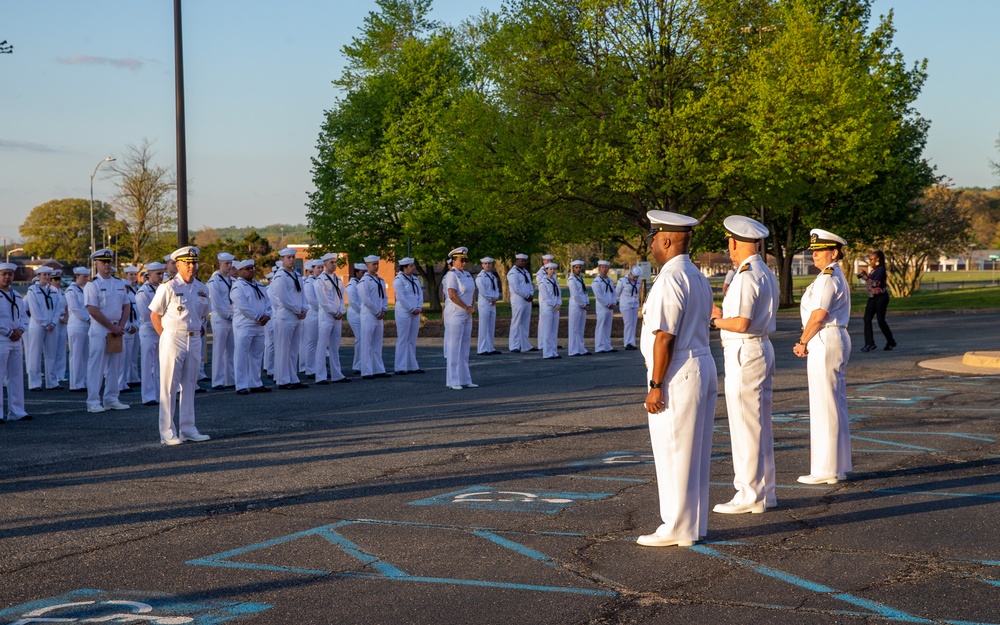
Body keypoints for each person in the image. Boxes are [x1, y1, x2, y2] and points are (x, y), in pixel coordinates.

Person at [638, 210, 716, 548]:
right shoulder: (696, 275)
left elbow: (664, 336)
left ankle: (675, 526)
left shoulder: (670, 278)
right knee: (693, 451)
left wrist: (656, 385)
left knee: (673, 449)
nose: (652, 243)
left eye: (653, 237)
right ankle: (691, 525)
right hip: (700, 363)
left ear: (667, 240)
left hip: (678, 371)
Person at [709, 215, 779, 515]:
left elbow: (740, 322)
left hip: (745, 352)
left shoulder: (747, 275)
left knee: (745, 427)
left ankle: (748, 493)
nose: (729, 245)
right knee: (759, 426)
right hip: (758, 349)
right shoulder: (763, 271)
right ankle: (764, 493)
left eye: (729, 240)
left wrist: (714, 318)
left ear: (735, 242)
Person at [792, 228, 852, 485]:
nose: (814, 255)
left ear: (834, 252)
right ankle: (835, 466)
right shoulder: (832, 275)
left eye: (819, 251)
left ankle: (826, 469)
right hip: (832, 338)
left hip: (825, 338)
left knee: (824, 404)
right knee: (832, 403)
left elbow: (818, 315)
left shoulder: (828, 278)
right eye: (813, 251)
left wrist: (802, 341)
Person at [148, 246, 212, 445]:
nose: (191, 266)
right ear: (178, 265)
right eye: (187, 263)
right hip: (173, 337)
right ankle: (167, 432)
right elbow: (155, 315)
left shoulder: (202, 288)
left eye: (193, 263)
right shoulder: (168, 287)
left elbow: (203, 314)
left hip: (193, 338)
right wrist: (165, 337)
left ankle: (188, 428)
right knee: (169, 387)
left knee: (190, 385)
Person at [83, 249, 131, 413]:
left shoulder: (118, 283)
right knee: (96, 366)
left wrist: (121, 325)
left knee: (115, 365)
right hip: (100, 329)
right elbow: (92, 310)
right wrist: (113, 328)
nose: (107, 265)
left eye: (109, 262)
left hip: (117, 328)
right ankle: (93, 401)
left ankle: (111, 398)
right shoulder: (92, 284)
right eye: (103, 262)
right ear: (95, 264)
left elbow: (126, 305)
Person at [269, 248, 309, 390]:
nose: (291, 259)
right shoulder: (280, 277)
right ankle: (283, 380)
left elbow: (302, 295)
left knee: (293, 349)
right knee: (283, 349)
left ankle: (293, 377)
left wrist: (305, 308)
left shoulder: (296, 276)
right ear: (282, 260)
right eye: (288, 257)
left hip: (297, 316)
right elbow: (284, 298)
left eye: (293, 257)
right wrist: (298, 310)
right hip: (286, 316)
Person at [231, 259, 272, 394]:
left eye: (252, 268)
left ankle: (255, 382)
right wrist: (257, 317)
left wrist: (267, 314)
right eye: (247, 268)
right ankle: (241, 385)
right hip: (245, 325)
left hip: (260, 325)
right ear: (240, 271)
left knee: (256, 355)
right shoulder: (238, 286)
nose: (251, 270)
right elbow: (243, 306)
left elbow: (268, 302)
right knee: (241, 355)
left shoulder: (259, 285)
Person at [443, 247, 478, 390]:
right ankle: (453, 380)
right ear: (454, 260)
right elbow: (452, 295)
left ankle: (465, 379)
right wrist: (466, 307)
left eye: (465, 260)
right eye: (461, 260)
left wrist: (473, 305)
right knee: (454, 347)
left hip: (467, 313)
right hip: (455, 314)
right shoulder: (452, 275)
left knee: (464, 348)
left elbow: (473, 291)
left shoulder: (467, 275)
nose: (464, 263)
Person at [0, 262, 30, 422]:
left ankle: (17, 411)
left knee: (16, 376)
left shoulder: (17, 295)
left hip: (16, 340)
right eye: (4, 274)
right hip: (2, 339)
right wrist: (9, 331)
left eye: (10, 274)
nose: (7, 277)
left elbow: (23, 316)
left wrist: (21, 330)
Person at [312, 253, 349, 384]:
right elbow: (322, 300)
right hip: (326, 316)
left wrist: (341, 311)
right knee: (322, 346)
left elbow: (342, 298)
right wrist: (334, 312)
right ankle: (320, 376)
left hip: (337, 316)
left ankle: (337, 374)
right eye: (332, 262)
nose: (334, 264)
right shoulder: (320, 280)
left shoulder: (338, 279)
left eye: (335, 262)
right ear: (325, 264)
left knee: (335, 346)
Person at [25, 266, 61, 391]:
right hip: (37, 326)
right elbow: (35, 311)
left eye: (48, 275)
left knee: (51, 354)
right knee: (34, 354)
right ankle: (35, 383)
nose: (46, 277)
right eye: (44, 275)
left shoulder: (53, 291)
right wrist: (45, 324)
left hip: (52, 326)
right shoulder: (32, 290)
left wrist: (53, 323)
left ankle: (52, 382)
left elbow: (58, 309)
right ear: (38, 276)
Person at [136, 261, 165, 406]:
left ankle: (161, 395)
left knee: (161, 365)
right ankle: (148, 396)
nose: (161, 276)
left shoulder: (163, 288)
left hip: (162, 330)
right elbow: (147, 315)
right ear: (149, 275)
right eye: (158, 274)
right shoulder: (143, 292)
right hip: (149, 330)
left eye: (162, 273)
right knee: (148, 364)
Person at [358, 255, 390, 379]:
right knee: (366, 344)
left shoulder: (380, 280)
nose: (376, 266)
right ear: (367, 266)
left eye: (377, 264)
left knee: (377, 343)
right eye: (373, 264)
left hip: (379, 315)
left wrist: (384, 309)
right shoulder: (364, 281)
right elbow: (366, 299)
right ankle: (366, 371)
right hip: (369, 315)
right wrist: (377, 311)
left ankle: (378, 369)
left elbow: (384, 297)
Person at [858, 249, 896, 352]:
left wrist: (867, 279)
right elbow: (871, 282)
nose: (870, 261)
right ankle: (869, 343)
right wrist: (866, 277)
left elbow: (876, 283)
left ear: (877, 259)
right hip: (872, 297)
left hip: (881, 298)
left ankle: (891, 341)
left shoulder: (881, 269)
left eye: (871, 259)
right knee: (867, 319)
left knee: (881, 321)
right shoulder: (874, 270)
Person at [208, 252, 236, 389]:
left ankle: (229, 379)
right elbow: (217, 303)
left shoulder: (233, 280)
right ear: (220, 264)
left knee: (231, 350)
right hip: (220, 318)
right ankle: (217, 381)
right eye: (227, 263)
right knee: (219, 351)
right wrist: (228, 315)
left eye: (231, 263)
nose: (229, 266)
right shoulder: (214, 281)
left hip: (233, 318)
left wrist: (234, 315)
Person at [393, 257, 423, 375]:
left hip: (415, 311)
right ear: (404, 268)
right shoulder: (398, 280)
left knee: (412, 339)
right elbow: (401, 297)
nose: (413, 267)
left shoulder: (415, 279)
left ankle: (412, 365)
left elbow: (419, 293)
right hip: (404, 311)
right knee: (403, 339)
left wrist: (419, 307)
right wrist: (411, 308)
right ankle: (400, 367)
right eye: (411, 266)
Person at [65, 266, 92, 392]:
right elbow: (75, 308)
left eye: (87, 277)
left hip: (88, 325)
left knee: (86, 355)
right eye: (84, 277)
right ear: (77, 277)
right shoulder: (71, 290)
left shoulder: (87, 289)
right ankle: (76, 383)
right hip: (77, 325)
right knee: (76, 355)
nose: (86, 279)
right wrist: (88, 318)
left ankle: (86, 381)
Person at [507, 254, 535, 353]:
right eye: (522, 261)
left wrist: (531, 294)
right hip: (518, 300)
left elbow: (530, 285)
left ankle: (525, 345)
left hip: (527, 300)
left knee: (525, 323)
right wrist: (526, 296)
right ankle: (514, 345)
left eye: (524, 261)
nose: (523, 262)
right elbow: (516, 288)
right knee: (516, 322)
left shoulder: (525, 272)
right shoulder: (513, 273)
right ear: (517, 260)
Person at [300, 259, 323, 377]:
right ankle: (309, 369)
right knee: (311, 342)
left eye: (321, 267)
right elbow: (312, 300)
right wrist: (324, 309)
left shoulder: (321, 281)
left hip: (321, 315)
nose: (320, 270)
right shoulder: (309, 283)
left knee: (320, 343)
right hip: (313, 315)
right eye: (317, 268)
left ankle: (318, 367)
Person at [120, 265, 140, 392]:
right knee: (124, 357)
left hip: (135, 326)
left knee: (133, 355)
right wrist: (127, 326)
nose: (133, 277)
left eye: (134, 274)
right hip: (125, 328)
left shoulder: (139, 289)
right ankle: (125, 380)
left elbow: (139, 311)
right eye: (130, 275)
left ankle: (133, 377)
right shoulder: (123, 293)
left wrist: (136, 325)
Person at [475, 257, 501, 355]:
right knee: (483, 326)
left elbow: (497, 289)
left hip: (492, 304)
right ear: (482, 265)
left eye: (489, 263)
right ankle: (482, 348)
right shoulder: (480, 277)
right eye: (485, 263)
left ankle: (490, 347)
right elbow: (483, 291)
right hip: (485, 303)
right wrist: (492, 298)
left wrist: (496, 298)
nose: (487, 265)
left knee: (491, 326)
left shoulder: (493, 277)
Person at [345, 263, 366, 375]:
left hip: (363, 313)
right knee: (360, 338)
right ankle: (357, 365)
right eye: (362, 273)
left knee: (365, 339)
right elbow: (353, 302)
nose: (364, 275)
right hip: (355, 314)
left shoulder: (364, 283)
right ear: (356, 273)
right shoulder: (352, 284)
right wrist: (363, 312)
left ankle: (364, 362)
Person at [592, 260, 617, 353]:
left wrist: (613, 302)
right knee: (600, 326)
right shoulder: (596, 281)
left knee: (608, 327)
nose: (604, 269)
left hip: (610, 307)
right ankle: (599, 346)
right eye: (602, 267)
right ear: (599, 269)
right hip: (602, 307)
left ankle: (607, 345)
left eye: (606, 267)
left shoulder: (610, 280)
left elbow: (614, 293)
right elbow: (599, 296)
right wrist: (607, 304)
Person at [538, 262, 562, 360]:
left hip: (555, 308)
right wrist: (554, 304)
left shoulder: (555, 282)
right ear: (546, 270)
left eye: (553, 269)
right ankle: (547, 353)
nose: (552, 271)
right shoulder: (543, 282)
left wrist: (559, 303)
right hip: (548, 308)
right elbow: (546, 296)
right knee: (547, 331)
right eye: (550, 269)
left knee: (554, 331)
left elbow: (559, 294)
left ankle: (553, 351)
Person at [567, 260, 590, 356]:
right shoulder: (571, 279)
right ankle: (573, 350)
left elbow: (584, 292)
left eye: (580, 267)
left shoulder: (580, 278)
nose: (578, 269)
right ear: (573, 268)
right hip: (576, 306)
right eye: (576, 267)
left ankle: (581, 348)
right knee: (573, 328)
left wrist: (587, 303)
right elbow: (575, 295)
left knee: (581, 328)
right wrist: (583, 304)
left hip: (582, 305)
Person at [50, 269, 69, 385]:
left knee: (62, 349)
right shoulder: (49, 292)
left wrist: (66, 317)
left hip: (63, 321)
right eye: (55, 279)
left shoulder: (62, 292)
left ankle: (60, 375)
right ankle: (54, 375)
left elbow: (66, 306)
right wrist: (58, 319)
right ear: (50, 280)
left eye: (59, 279)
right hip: (55, 322)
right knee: (53, 350)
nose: (58, 282)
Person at [616, 266, 642, 350]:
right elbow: (617, 293)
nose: (635, 278)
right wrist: (621, 301)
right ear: (630, 273)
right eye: (634, 276)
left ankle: (632, 343)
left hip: (634, 304)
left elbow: (637, 293)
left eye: (637, 277)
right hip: (626, 304)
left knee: (633, 323)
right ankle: (627, 343)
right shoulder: (622, 281)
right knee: (628, 323)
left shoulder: (638, 281)